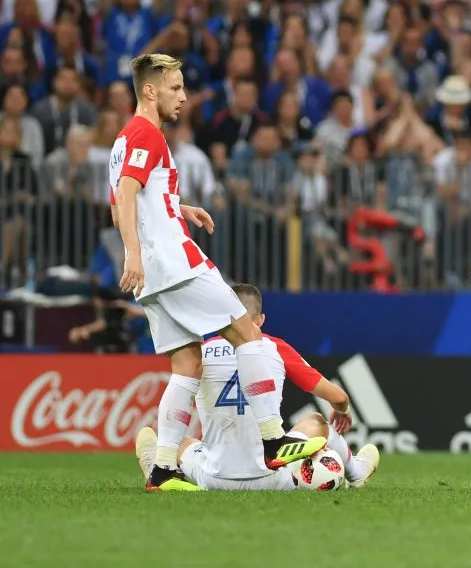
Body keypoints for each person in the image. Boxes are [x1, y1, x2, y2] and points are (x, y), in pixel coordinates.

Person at [109, 54, 325, 491]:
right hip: (175, 264)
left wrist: (175, 209)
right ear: (150, 90)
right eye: (175, 88)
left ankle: (164, 468)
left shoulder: (121, 141)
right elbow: (129, 194)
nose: (184, 97)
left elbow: (121, 204)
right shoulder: (146, 132)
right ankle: (272, 439)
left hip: (153, 274)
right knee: (248, 333)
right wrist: (132, 250)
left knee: (187, 362)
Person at [134, 284, 380, 491]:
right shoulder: (275, 347)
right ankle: (356, 472)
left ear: (220, 316)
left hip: (211, 478)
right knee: (318, 421)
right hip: (274, 478)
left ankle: (157, 463)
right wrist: (342, 407)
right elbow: (337, 396)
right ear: (260, 319)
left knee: (183, 442)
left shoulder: (199, 354)